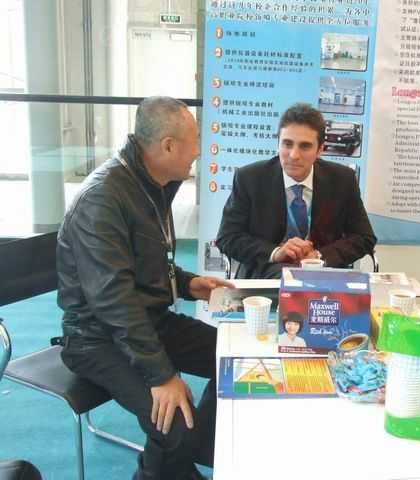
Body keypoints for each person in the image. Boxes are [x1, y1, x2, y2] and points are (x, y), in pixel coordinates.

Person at [57, 96, 233, 480]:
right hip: (97, 337)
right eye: (195, 140)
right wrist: (161, 376)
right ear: (168, 146)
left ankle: (183, 461)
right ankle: (176, 459)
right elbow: (113, 301)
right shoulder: (102, 200)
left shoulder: (151, 183)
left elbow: (146, 263)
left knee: (234, 361)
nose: (199, 151)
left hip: (147, 320)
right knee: (177, 426)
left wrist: (188, 284)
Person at [216, 103, 377, 278]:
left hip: (323, 272)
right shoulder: (250, 178)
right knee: (289, 279)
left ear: (320, 150)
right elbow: (228, 237)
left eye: (305, 146)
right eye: (287, 144)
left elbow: (364, 237)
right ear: (277, 144)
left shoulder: (342, 180)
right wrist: (276, 252)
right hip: (266, 271)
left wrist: (318, 257)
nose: (294, 155)